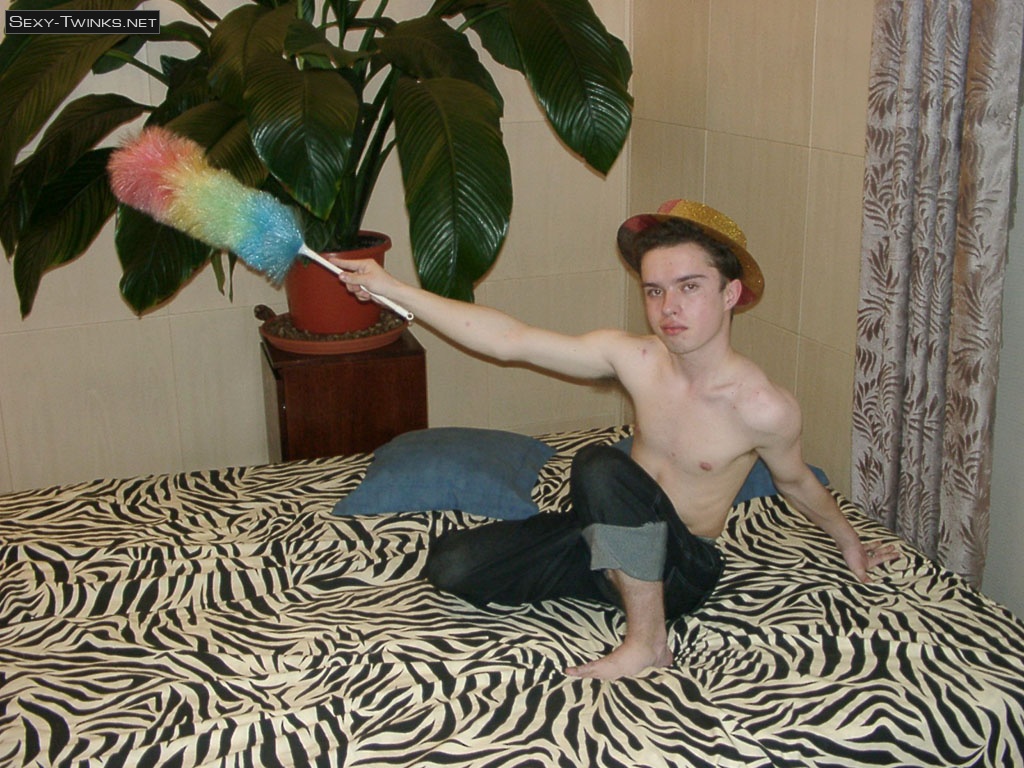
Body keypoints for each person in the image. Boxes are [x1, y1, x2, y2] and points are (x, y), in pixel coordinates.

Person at [332, 199, 899, 680]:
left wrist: (851, 544)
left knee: (599, 463)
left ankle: (647, 641)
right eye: (654, 290)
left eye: (689, 287)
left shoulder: (762, 406)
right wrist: (389, 287)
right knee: (451, 565)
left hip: (678, 569)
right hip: (602, 543)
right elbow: (510, 340)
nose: (668, 308)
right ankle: (615, 588)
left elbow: (797, 482)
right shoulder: (636, 359)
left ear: (730, 294)